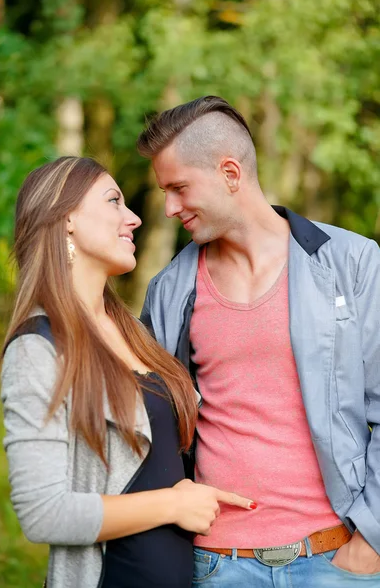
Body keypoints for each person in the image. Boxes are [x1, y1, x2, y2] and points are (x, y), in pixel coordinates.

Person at [137, 96, 380, 587]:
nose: (168, 208)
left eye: (180, 188)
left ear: (231, 172)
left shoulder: (353, 263)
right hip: (217, 565)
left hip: (337, 560)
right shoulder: (169, 291)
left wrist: (372, 540)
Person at [0, 156, 256, 588]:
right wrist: (172, 506)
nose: (133, 217)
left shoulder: (136, 333)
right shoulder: (37, 348)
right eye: (114, 201)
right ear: (66, 220)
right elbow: (43, 513)